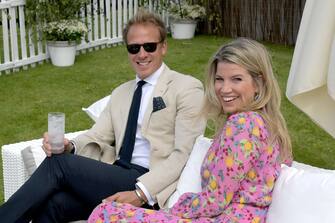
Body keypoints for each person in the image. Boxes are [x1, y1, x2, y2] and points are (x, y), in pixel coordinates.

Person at [0, 10, 206, 222]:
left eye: (149, 46)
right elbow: (97, 135)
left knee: (58, 164)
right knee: (55, 204)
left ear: (163, 47)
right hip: (115, 175)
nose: (141, 54)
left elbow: (184, 153)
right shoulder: (121, 92)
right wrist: (69, 146)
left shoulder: (186, 88)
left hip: (149, 182)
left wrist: (141, 193)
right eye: (134, 48)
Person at [87, 38, 293, 223]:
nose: (224, 89)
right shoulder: (268, 124)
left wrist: (174, 209)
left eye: (236, 79)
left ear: (258, 83)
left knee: (107, 212)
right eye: (219, 79)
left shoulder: (242, 124)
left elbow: (216, 200)